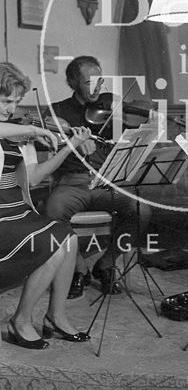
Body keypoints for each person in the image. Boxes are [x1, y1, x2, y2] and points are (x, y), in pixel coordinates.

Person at [0, 62, 91, 349]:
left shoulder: (16, 133)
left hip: (17, 210)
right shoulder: (15, 129)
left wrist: (68, 148)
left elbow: (34, 175)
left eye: (14, 102)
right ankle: (21, 321)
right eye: (5, 101)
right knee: (53, 242)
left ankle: (56, 315)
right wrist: (26, 128)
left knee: (69, 239)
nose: (10, 108)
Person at [45, 56, 151, 299]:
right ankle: (78, 269)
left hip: (106, 184)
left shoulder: (112, 107)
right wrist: (70, 140)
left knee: (141, 210)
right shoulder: (59, 111)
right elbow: (48, 127)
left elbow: (139, 121)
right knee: (53, 211)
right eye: (89, 82)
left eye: (101, 81)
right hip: (72, 183)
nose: (98, 88)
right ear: (73, 82)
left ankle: (106, 264)